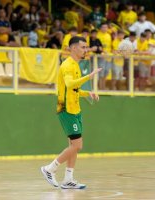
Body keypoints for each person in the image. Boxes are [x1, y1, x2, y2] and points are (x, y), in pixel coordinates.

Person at [41, 36, 102, 189]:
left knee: (73, 146)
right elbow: (69, 83)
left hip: (75, 108)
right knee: (77, 145)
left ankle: (68, 179)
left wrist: (87, 93)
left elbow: (74, 89)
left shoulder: (76, 65)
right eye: (83, 47)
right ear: (73, 48)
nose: (85, 50)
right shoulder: (67, 65)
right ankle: (50, 168)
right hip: (66, 109)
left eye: (86, 47)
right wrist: (89, 76)